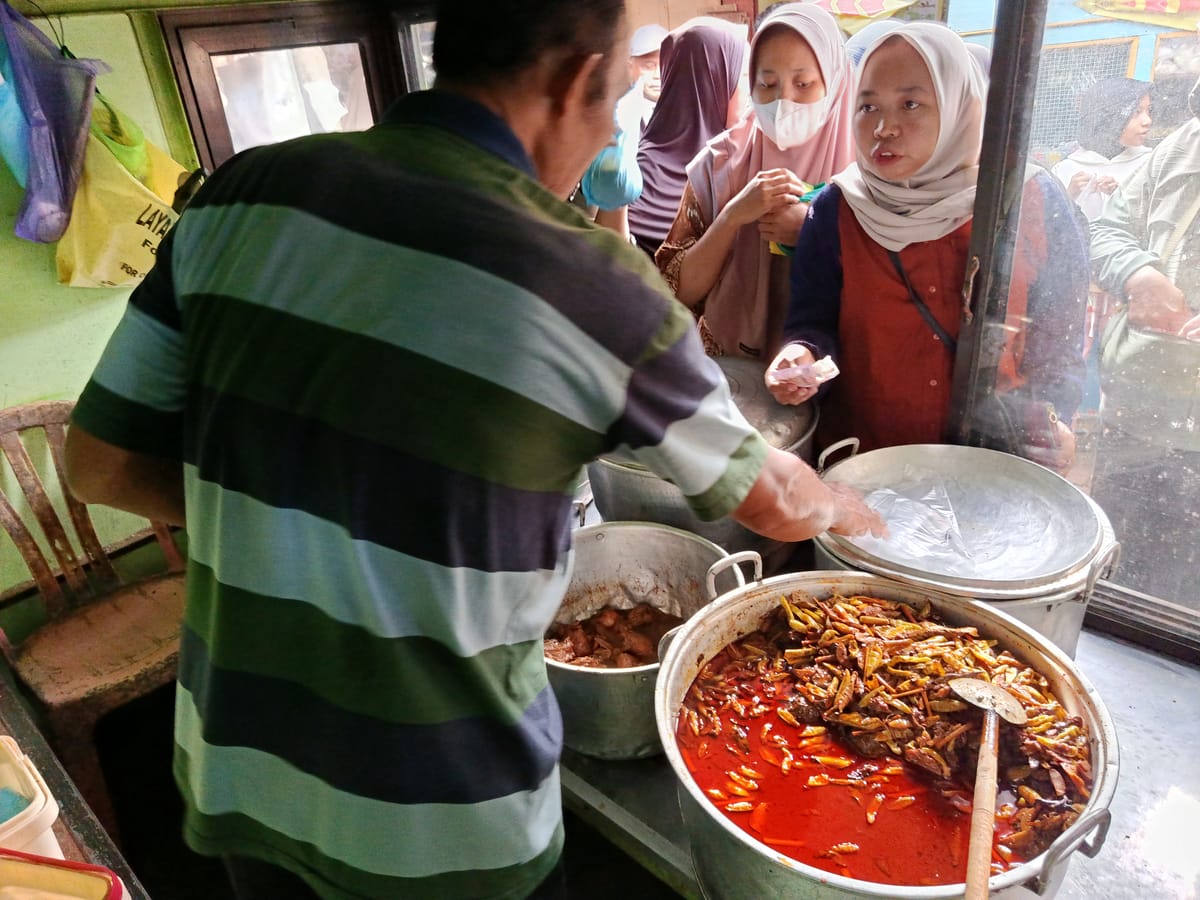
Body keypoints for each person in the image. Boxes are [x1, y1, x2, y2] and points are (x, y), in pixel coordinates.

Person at [61, 2, 882, 898]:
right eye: (613, 104)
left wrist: (289, 514)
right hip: (447, 824)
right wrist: (849, 507)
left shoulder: (236, 195)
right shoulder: (589, 283)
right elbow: (770, 502)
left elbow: (97, 464)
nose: (610, 132)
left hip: (238, 770)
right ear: (575, 83)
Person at [765, 22, 1087, 474]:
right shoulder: (837, 209)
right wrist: (801, 358)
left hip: (994, 463)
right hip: (868, 465)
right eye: (867, 105)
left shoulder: (1028, 201)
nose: (883, 128)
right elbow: (813, 323)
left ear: (961, 105)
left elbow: (1060, 336)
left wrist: (1054, 416)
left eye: (911, 104)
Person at [655, 3, 855, 361]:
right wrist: (733, 215)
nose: (783, 101)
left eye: (803, 83)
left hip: (830, 380)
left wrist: (816, 233)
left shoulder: (866, 174)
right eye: (767, 84)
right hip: (732, 373)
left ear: (835, 82)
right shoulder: (720, 165)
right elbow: (677, 289)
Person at [1087, 72, 1200, 604]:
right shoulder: (1182, 145)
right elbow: (1108, 230)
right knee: (1115, 567)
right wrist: (1139, 273)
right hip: (1138, 403)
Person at [627, 16, 750, 257]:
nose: (750, 94)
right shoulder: (737, 173)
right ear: (713, 83)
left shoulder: (638, 168)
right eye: (741, 78)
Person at [579, 23, 668, 237]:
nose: (657, 74)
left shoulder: (684, 113)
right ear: (630, 66)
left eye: (664, 64)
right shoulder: (617, 117)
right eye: (648, 65)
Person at [1052, 77, 1153, 224]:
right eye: (1136, 112)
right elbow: (1050, 226)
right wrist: (1069, 195)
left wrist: (1120, 199)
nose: (1147, 121)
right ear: (1108, 118)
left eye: (1148, 111)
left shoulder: (1149, 164)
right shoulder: (1066, 169)